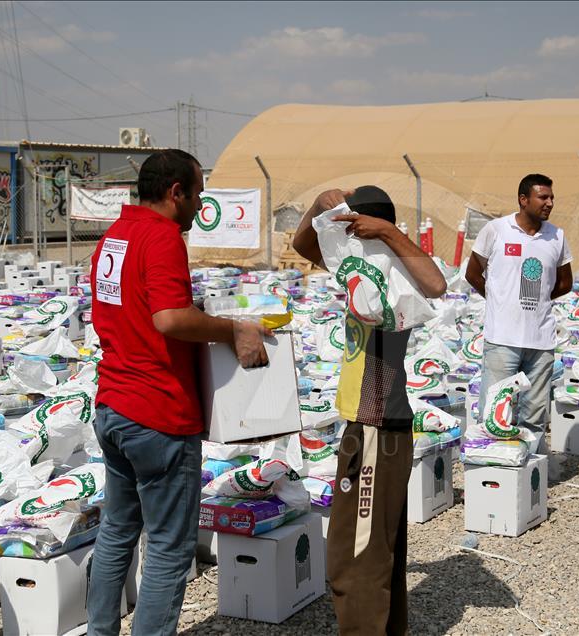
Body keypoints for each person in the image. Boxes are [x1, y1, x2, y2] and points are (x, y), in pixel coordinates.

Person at [86, 149, 271, 636]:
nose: (198, 207)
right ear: (176, 193)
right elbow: (169, 319)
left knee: (117, 533)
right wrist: (233, 329)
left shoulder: (114, 237)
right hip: (157, 414)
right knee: (169, 549)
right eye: (197, 195)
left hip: (114, 406)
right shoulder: (162, 236)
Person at [292, 185, 446, 635]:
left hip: (377, 422)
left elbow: (436, 283)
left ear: (365, 224)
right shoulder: (359, 264)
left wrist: (390, 233)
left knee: (354, 555)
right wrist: (319, 204)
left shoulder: (394, 271)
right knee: (377, 548)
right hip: (370, 423)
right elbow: (305, 243)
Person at [465, 173, 573, 447]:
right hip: (502, 339)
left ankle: (530, 472)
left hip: (541, 341)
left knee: (535, 414)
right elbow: (473, 273)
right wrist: (499, 299)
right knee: (494, 411)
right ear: (523, 200)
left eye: (551, 198)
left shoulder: (557, 236)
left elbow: (565, 282)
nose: (549, 203)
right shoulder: (497, 230)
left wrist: (537, 300)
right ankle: (494, 471)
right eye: (543, 197)